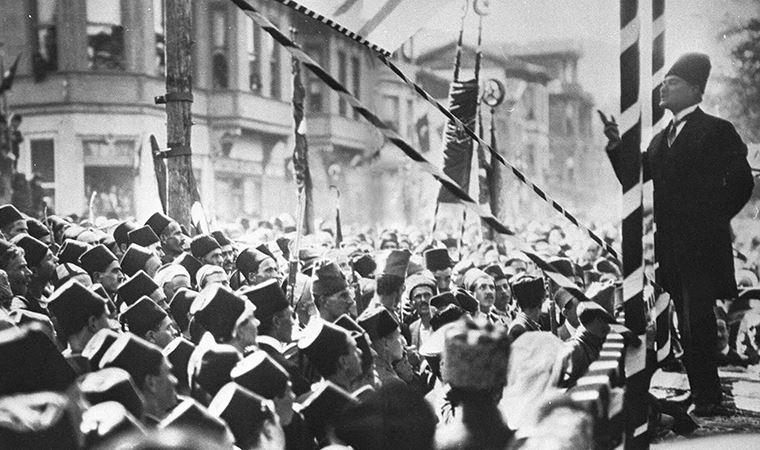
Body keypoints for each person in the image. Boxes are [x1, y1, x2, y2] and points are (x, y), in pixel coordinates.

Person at [602, 52, 754, 416]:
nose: (663, 89)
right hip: (671, 247)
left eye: (672, 83)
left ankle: (708, 396)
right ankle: (701, 391)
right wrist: (616, 145)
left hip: (703, 245)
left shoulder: (717, 131)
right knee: (685, 321)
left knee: (698, 319)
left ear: (695, 90)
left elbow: (742, 183)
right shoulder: (660, 140)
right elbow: (633, 177)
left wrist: (712, 220)